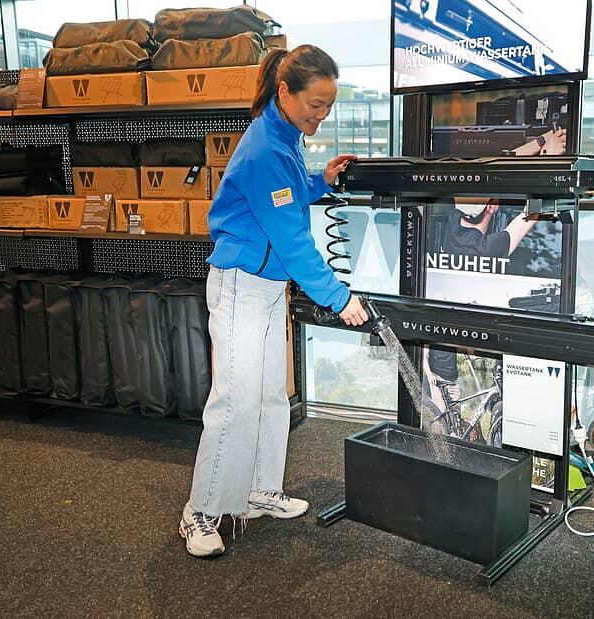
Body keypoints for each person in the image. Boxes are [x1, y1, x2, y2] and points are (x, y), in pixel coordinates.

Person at [180, 45, 368, 558]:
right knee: (234, 402)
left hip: (265, 287)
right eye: (315, 104)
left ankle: (258, 492)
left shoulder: (283, 137)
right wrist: (338, 297)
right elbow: (289, 237)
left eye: (328, 106)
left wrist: (319, 182)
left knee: (269, 398)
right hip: (240, 286)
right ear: (285, 92)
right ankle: (200, 510)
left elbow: (285, 194)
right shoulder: (265, 148)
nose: (321, 115)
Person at [424, 198, 537, 442]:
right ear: (492, 207)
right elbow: (533, 214)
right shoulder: (488, 248)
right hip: (451, 357)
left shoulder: (452, 226)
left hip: (442, 351)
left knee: (450, 413)